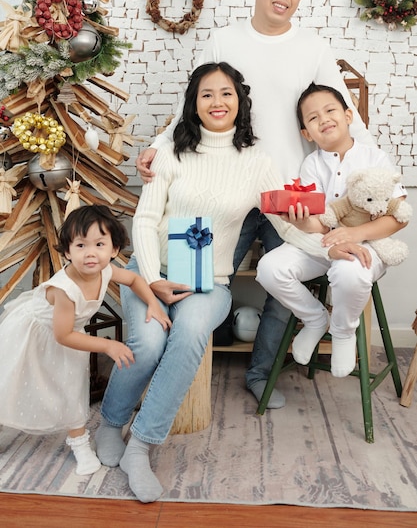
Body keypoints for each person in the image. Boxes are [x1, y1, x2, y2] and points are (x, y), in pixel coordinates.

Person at [136, 0, 375, 408]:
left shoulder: (313, 48)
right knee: (195, 275)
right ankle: (175, 377)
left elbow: (345, 116)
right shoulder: (225, 41)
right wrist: (158, 146)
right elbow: (193, 107)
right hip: (225, 186)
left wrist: (376, 171)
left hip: (289, 192)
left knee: (282, 284)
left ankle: (262, 375)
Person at [95, 62, 332, 503]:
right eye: (207, 94)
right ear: (194, 103)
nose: (217, 102)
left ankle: (141, 446)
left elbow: (288, 227)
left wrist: (333, 244)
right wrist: (150, 281)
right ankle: (112, 422)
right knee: (146, 343)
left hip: (210, 283)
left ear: (240, 102)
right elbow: (144, 220)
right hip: (151, 275)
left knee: (187, 335)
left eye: (226, 93)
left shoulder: (258, 161)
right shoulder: (170, 154)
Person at [0, 205, 169, 476]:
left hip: (68, 336)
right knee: (12, 382)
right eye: (81, 245)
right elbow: (63, 334)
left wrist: (153, 304)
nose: (91, 253)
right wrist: (108, 345)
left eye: (99, 244)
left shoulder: (106, 270)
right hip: (36, 334)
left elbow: (135, 279)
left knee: (70, 389)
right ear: (67, 252)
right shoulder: (65, 290)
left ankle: (79, 444)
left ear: (113, 250)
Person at [256, 83, 408, 377]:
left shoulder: (374, 157)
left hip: (368, 246)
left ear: (348, 115)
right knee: (269, 268)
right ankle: (314, 318)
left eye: (330, 111)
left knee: (349, 269)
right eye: (313, 118)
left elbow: (399, 218)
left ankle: (342, 332)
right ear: (306, 134)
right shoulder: (311, 165)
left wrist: (354, 234)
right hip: (322, 244)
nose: (323, 119)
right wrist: (299, 221)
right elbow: (319, 223)